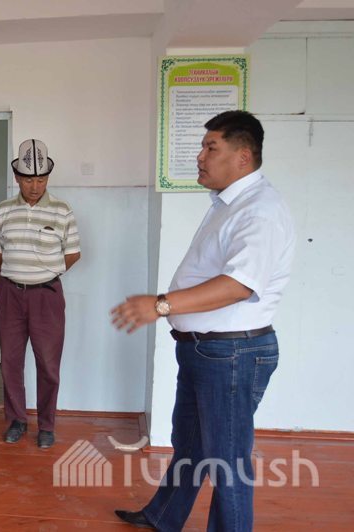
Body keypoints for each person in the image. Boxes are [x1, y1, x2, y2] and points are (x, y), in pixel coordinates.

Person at [111, 110, 295, 532]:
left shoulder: (260, 209)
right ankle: (163, 516)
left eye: (211, 147)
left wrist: (161, 305)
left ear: (243, 157)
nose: (200, 156)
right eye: (202, 146)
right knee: (190, 444)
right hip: (207, 349)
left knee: (227, 462)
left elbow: (238, 285)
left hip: (232, 353)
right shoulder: (230, 204)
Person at [0, 139, 81, 449]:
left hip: (46, 297)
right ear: (17, 177)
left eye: (41, 179)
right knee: (10, 362)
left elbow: (73, 253)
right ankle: (16, 420)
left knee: (48, 365)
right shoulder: (3, 210)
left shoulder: (62, 210)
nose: (35, 186)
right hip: (10, 295)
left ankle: (47, 425)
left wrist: (46, 272)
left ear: (48, 178)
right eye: (28, 180)